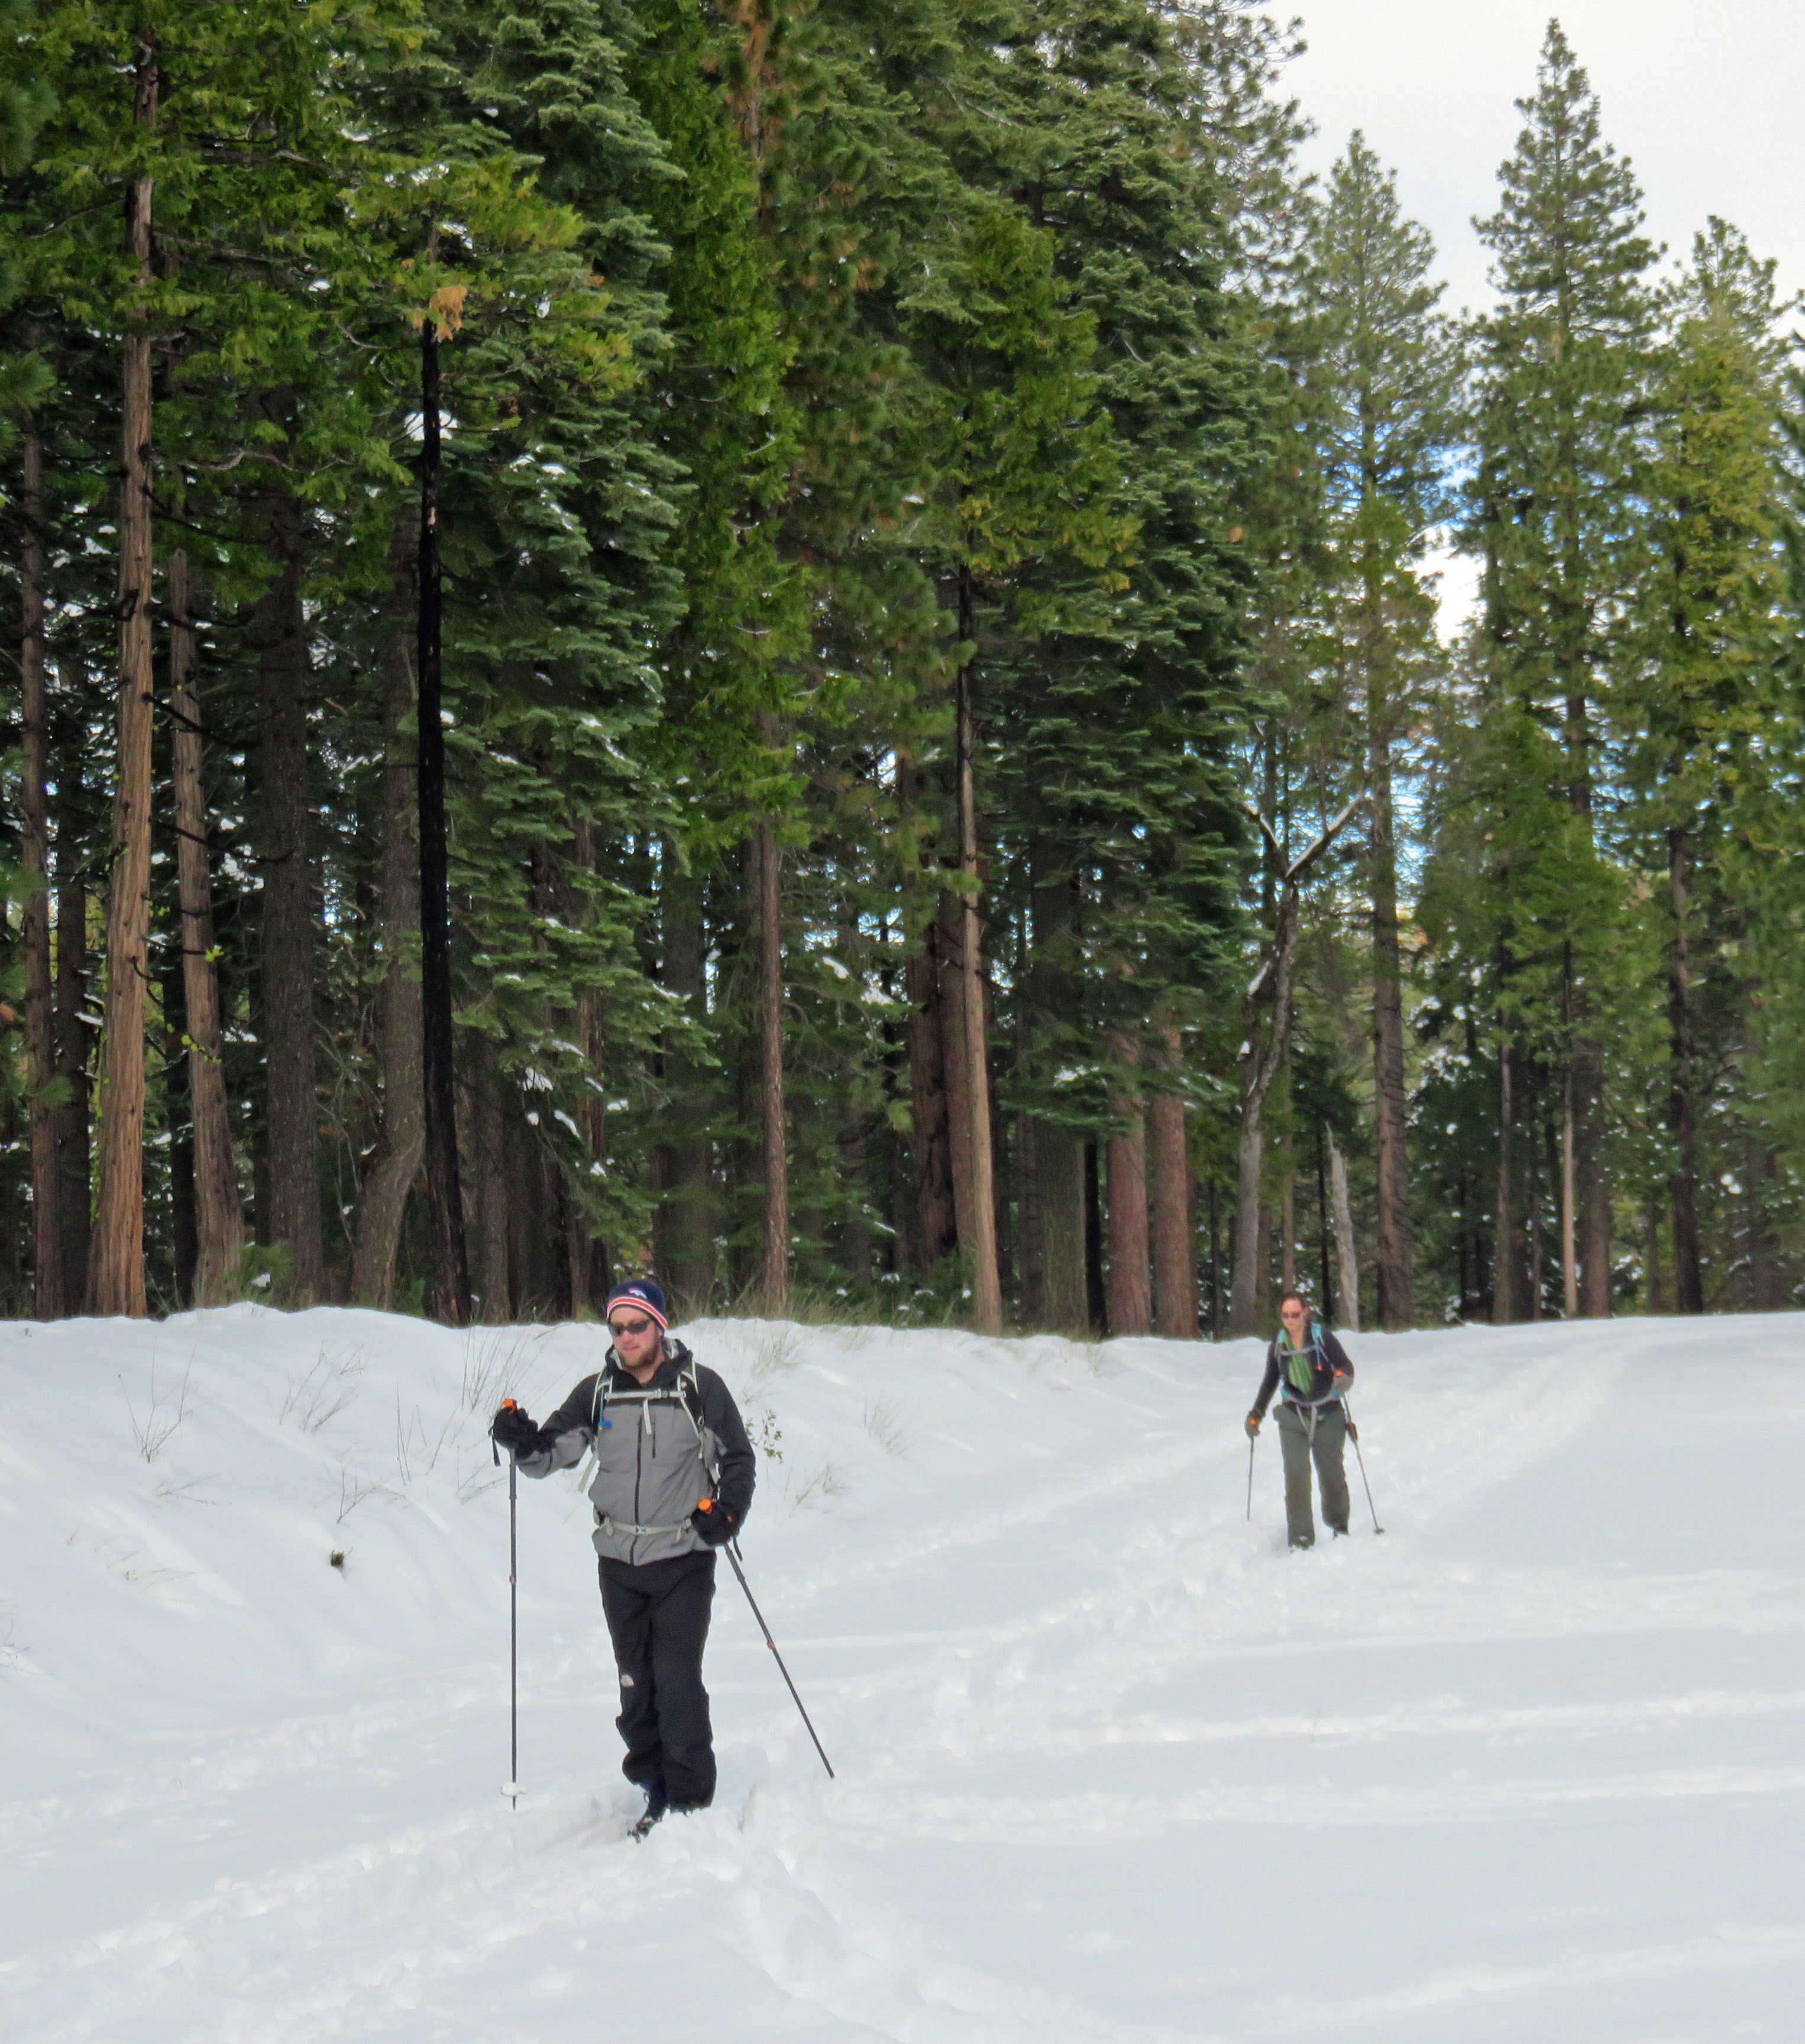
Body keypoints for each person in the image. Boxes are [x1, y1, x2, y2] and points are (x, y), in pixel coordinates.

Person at [490, 1278, 755, 1836]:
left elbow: (738, 1460)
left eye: (638, 1325)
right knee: (636, 1687)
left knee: (677, 1681)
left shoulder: (699, 1387)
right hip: (618, 1560)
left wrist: (725, 1515)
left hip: (683, 1554)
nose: (627, 1336)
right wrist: (521, 1442)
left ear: (660, 1326)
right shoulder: (598, 1391)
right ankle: (653, 1784)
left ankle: (686, 1801)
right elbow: (550, 1455)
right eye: (617, 1327)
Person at [1245, 1289, 1355, 1551]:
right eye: (1286, 1315)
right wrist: (1255, 1414)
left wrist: (1342, 1380)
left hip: (1328, 1413)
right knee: (1296, 1475)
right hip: (1293, 1414)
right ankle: (1301, 1538)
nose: (1291, 1320)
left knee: (1331, 1474)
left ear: (1305, 1313)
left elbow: (1346, 1367)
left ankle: (1339, 1525)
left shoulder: (1322, 1337)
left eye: (1295, 1314)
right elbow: (1270, 1381)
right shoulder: (1278, 1345)